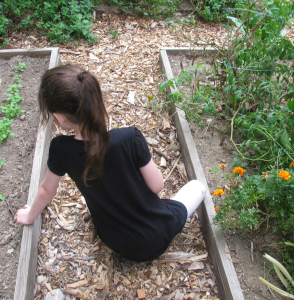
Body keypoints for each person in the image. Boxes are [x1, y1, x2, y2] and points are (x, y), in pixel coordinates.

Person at [14, 64, 206, 262]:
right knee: (198, 186)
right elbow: (157, 186)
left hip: (117, 242)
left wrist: (29, 217)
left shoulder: (60, 149)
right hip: (159, 232)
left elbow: (47, 190)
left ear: (59, 117)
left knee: (96, 198)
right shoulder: (129, 137)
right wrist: (132, 145)